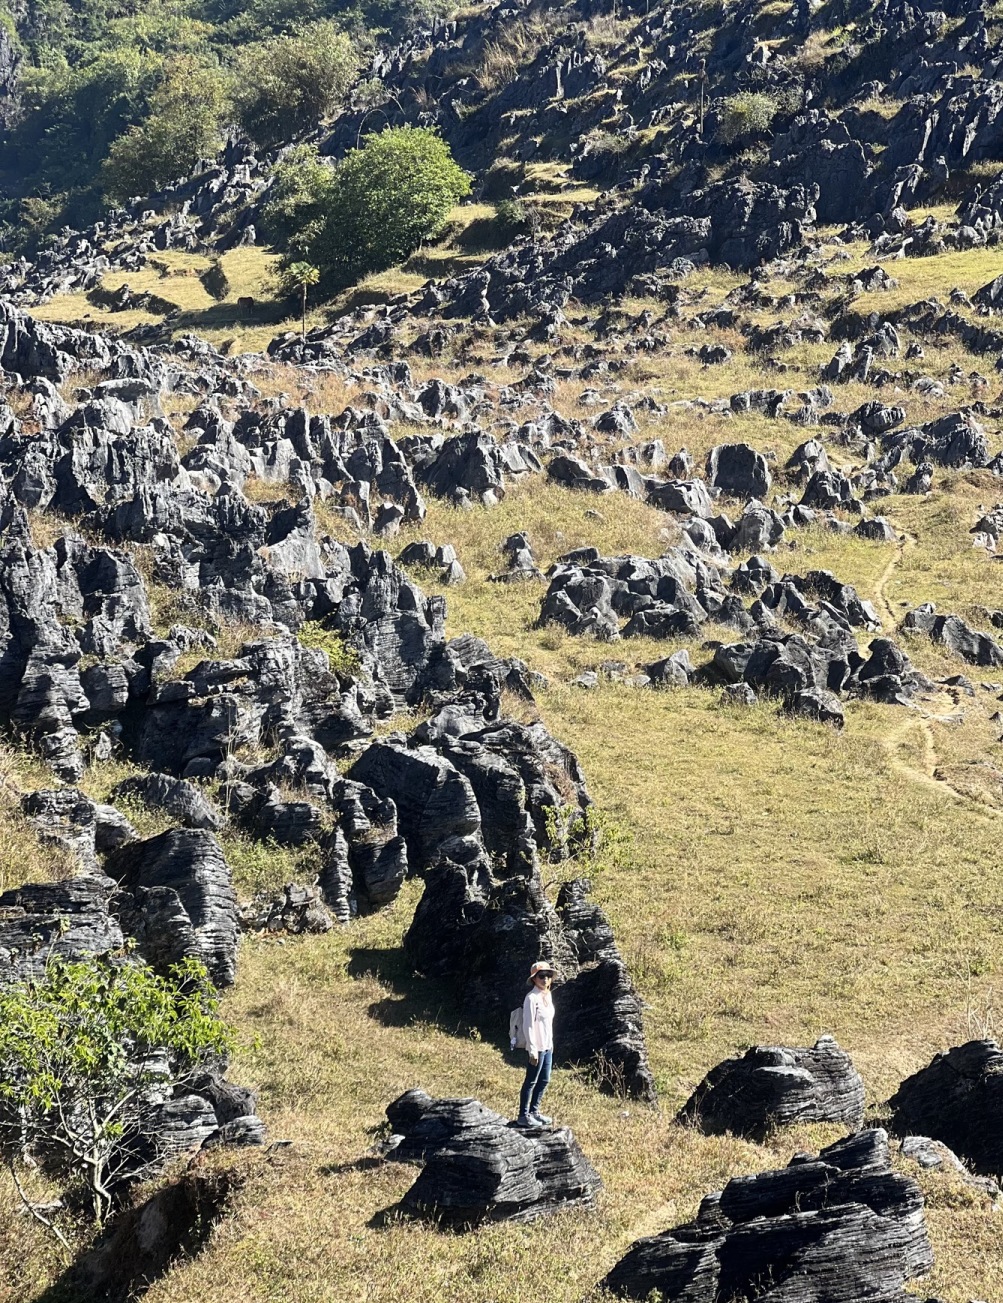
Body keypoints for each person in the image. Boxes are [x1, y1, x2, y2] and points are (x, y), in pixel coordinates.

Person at [516, 960, 556, 1129]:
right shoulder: (531, 998)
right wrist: (532, 1049)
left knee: (544, 1079)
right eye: (541, 976)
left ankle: (534, 1111)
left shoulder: (547, 995)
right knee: (531, 1081)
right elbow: (528, 1025)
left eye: (548, 975)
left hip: (547, 1046)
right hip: (537, 1048)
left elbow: (548, 1023)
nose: (545, 979)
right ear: (534, 979)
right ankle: (523, 1115)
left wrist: (550, 1043)